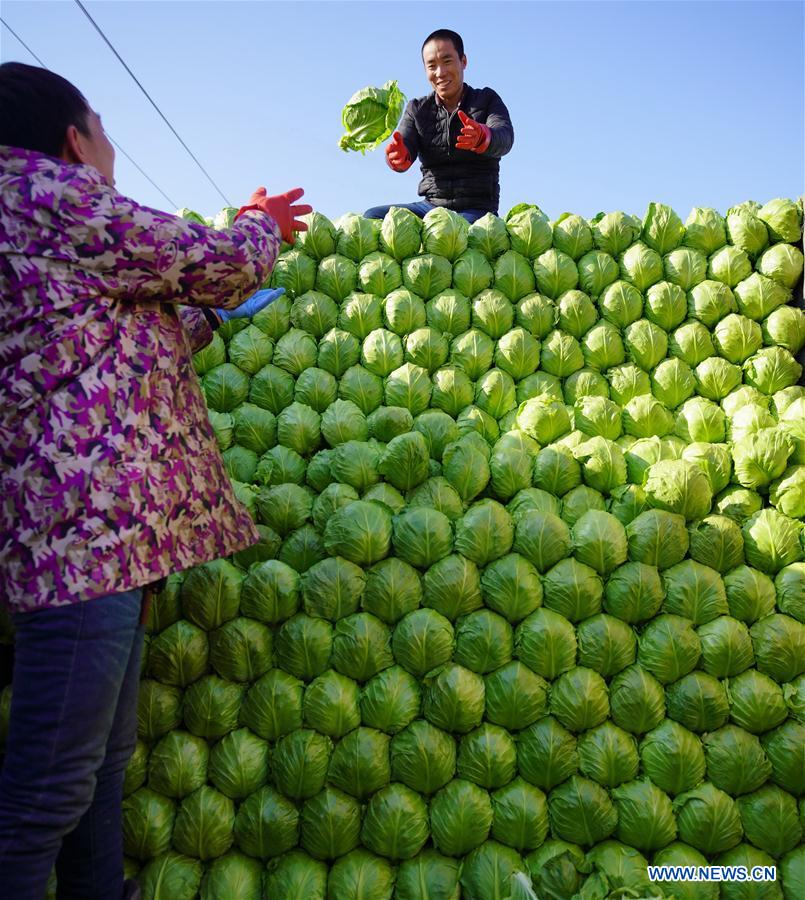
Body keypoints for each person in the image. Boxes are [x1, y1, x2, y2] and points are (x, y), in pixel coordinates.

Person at [0, 61, 310, 900]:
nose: (109, 148)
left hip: (93, 539)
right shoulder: (50, 195)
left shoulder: (30, 223)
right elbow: (214, 260)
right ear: (74, 138)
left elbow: (90, 352)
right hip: (85, 536)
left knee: (100, 765)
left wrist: (200, 324)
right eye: (103, 129)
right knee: (47, 794)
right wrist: (258, 223)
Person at [364, 28, 514, 225]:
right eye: (432, 66)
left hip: (476, 208)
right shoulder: (417, 109)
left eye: (447, 61)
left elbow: (505, 136)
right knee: (371, 216)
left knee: (452, 230)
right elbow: (404, 143)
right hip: (430, 206)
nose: (440, 72)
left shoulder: (486, 99)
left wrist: (483, 137)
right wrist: (398, 158)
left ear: (464, 61)